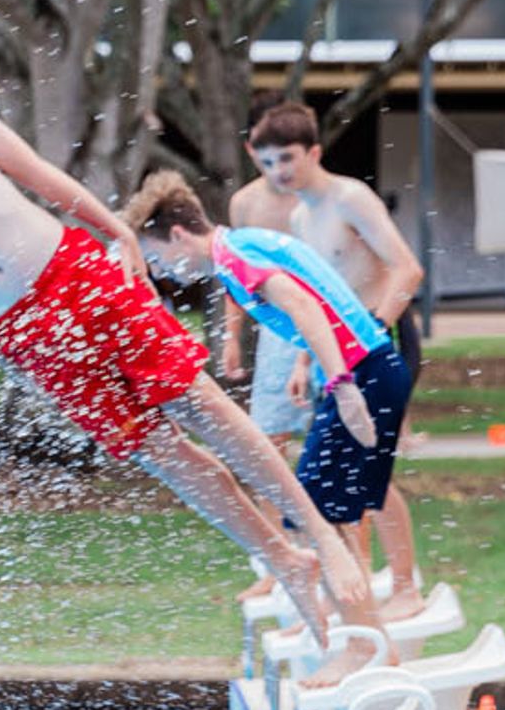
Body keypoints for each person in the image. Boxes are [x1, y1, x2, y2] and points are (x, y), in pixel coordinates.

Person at [0, 49, 371, 646]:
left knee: (200, 404)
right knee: (163, 453)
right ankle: (285, 562)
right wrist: (8, 359)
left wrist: (116, 230)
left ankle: (319, 533)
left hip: (74, 272)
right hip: (24, 330)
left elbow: (35, 173)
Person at [127, 173, 418, 595]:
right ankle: (351, 611)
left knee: (317, 511)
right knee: (335, 505)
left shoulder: (237, 256)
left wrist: (342, 384)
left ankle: (364, 612)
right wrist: (307, 364)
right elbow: (321, 299)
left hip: (364, 371)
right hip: (368, 368)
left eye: (156, 257)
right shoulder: (243, 247)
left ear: (178, 235)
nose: (160, 270)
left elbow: (304, 304)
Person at [235, 101, 428, 612]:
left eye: (288, 158)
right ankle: (352, 594)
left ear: (315, 152)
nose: (279, 171)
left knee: (370, 472)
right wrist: (304, 361)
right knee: (336, 476)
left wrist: (374, 331)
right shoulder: (301, 216)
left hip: (380, 338)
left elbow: (407, 269)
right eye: (269, 161)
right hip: (338, 354)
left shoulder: (350, 198)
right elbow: (317, 297)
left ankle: (406, 588)